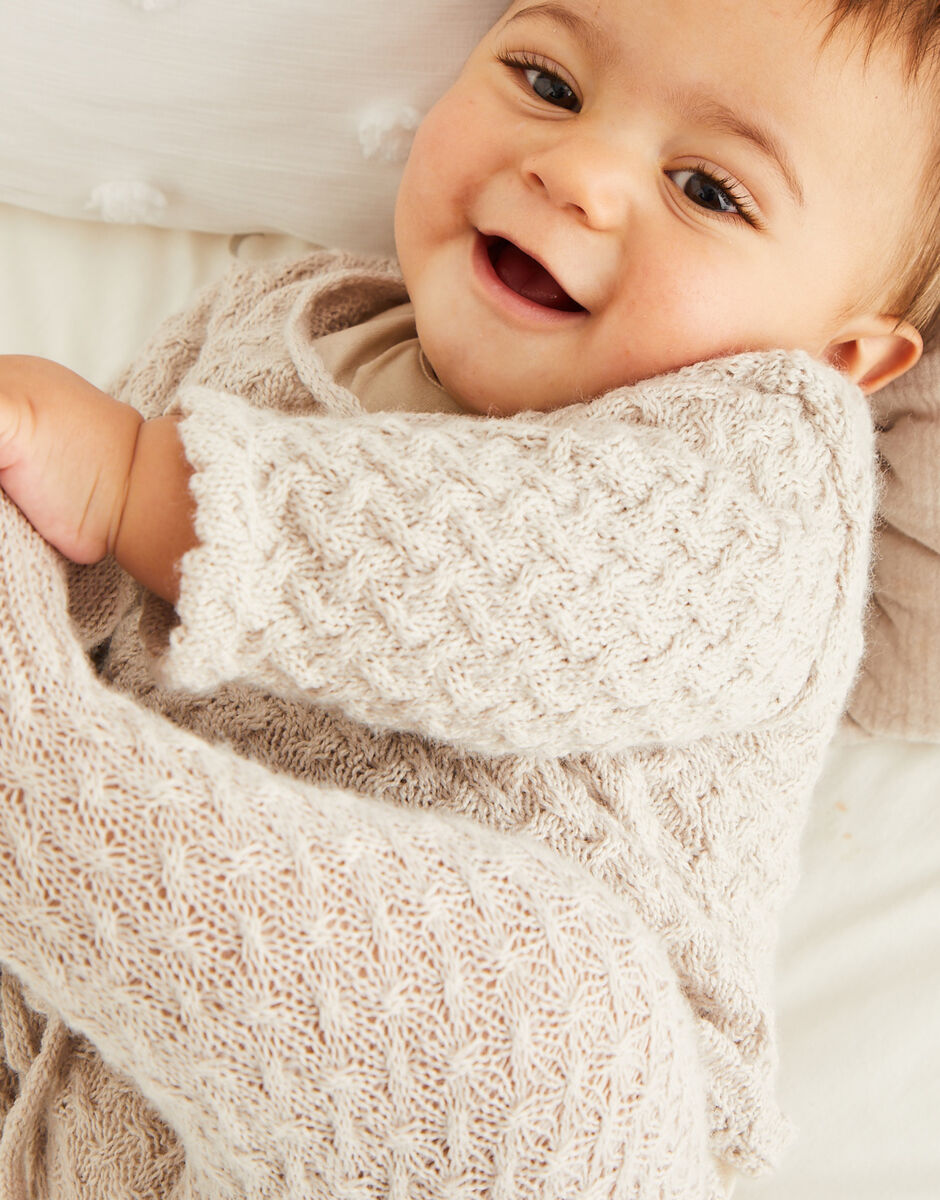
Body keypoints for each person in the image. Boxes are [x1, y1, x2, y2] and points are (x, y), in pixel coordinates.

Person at [0, 0, 937, 1196]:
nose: (577, 173)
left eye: (708, 191)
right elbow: (72, 571)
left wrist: (135, 482)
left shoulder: (772, 471)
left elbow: (530, 588)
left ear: (841, 362)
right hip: (98, 1120)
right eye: (547, 82)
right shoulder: (257, 322)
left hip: (505, 1135)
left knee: (571, 1030)